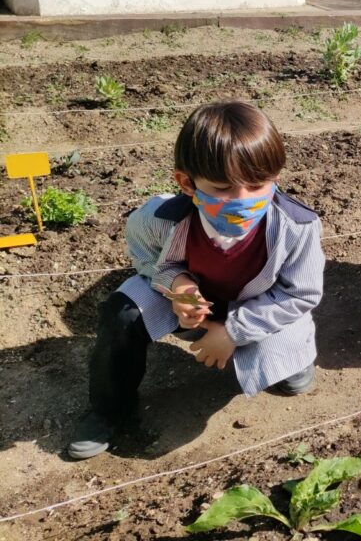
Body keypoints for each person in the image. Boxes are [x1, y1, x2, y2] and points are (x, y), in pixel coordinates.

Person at [68, 102, 324, 460]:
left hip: (258, 307)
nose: (242, 201)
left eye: (256, 185)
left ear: (274, 176)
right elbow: (145, 261)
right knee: (122, 312)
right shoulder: (155, 219)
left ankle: (289, 358)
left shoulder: (297, 227)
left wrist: (232, 331)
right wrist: (178, 285)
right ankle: (108, 410)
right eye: (221, 188)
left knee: (290, 378)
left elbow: (300, 295)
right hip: (194, 305)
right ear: (187, 183)